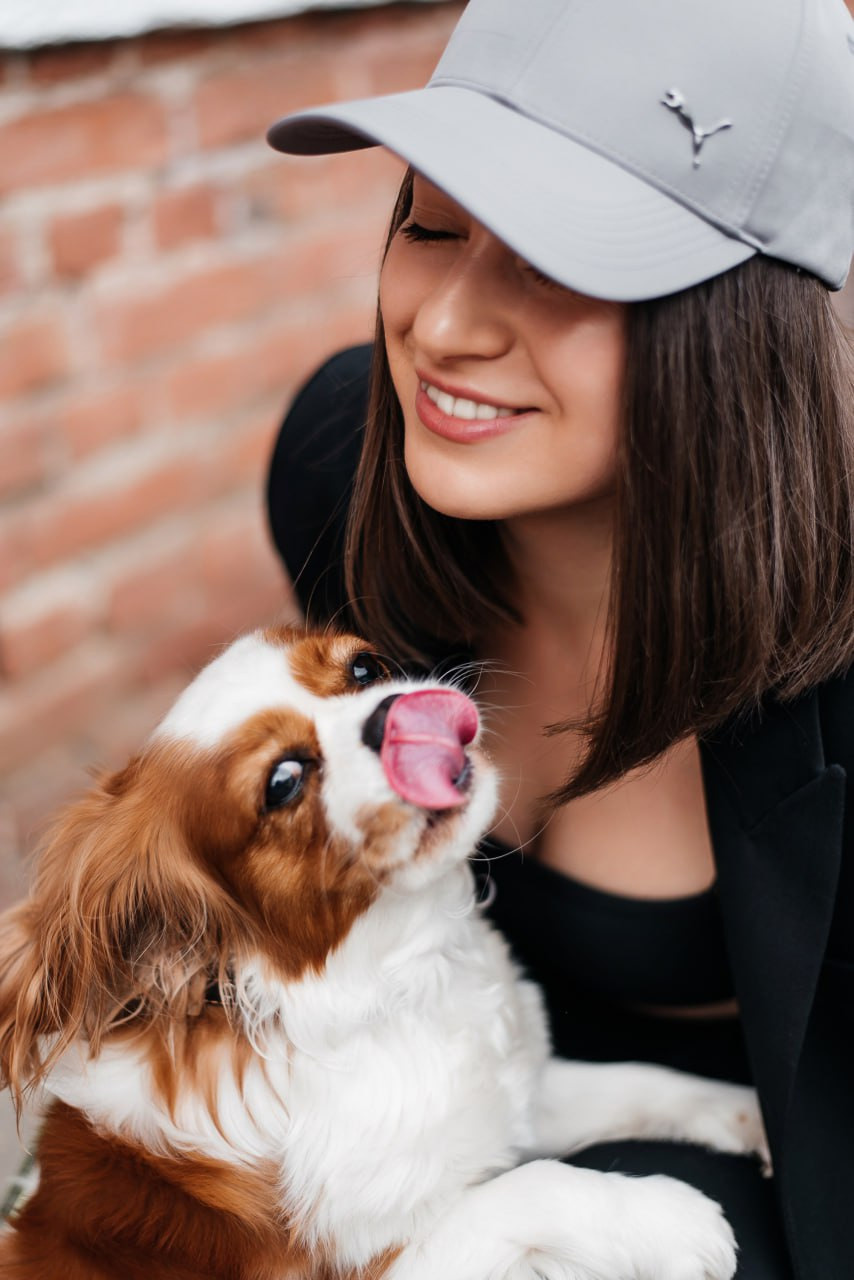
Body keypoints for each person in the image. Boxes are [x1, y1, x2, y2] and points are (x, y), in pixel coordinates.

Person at [264, 1, 854, 1277]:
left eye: (555, 254)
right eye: (427, 221)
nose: (442, 326)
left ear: (744, 325)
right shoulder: (336, 478)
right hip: (449, 1116)